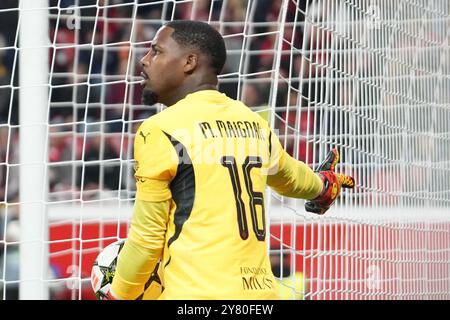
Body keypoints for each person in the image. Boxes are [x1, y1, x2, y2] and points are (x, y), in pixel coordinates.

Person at [108, 20, 354, 300]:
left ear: (189, 62)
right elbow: (290, 176)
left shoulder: (161, 129)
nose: (144, 60)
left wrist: (118, 293)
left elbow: (146, 242)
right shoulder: (253, 123)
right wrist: (322, 186)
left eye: (156, 51)